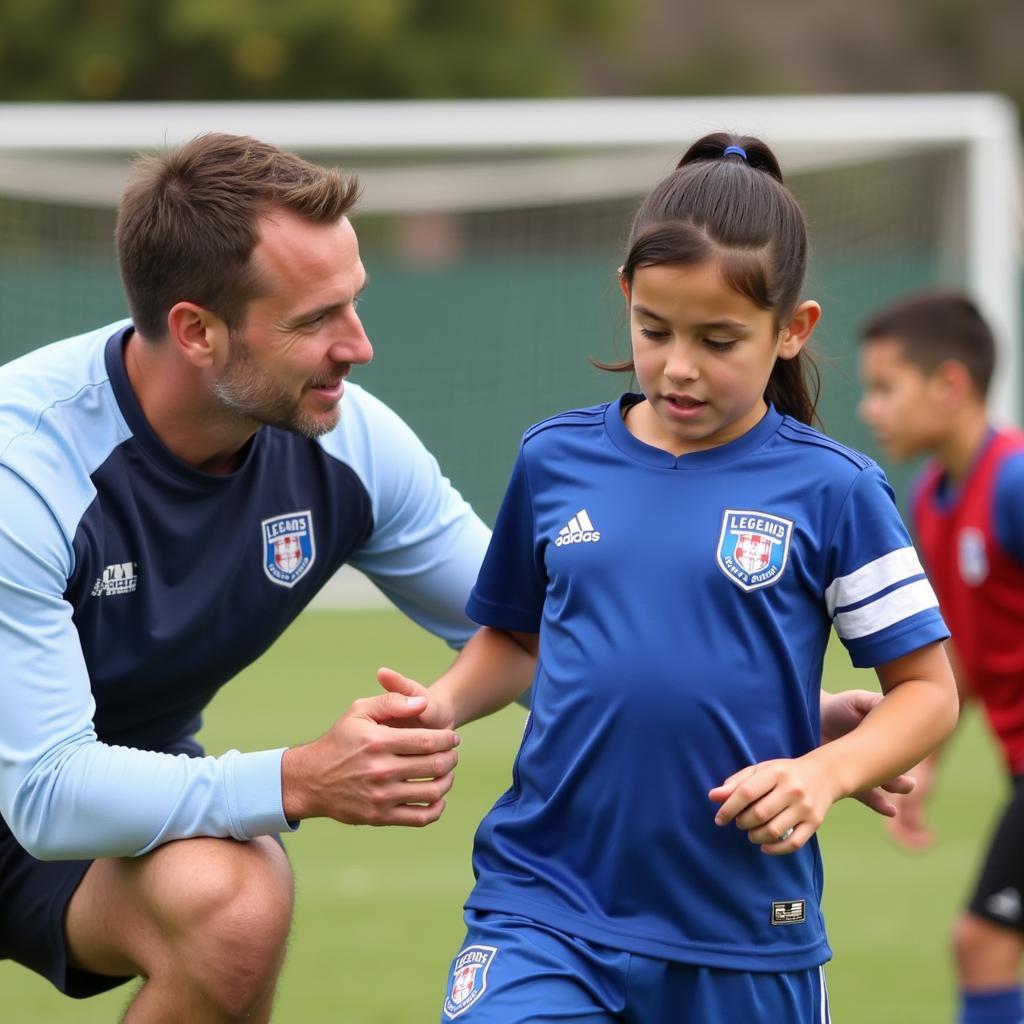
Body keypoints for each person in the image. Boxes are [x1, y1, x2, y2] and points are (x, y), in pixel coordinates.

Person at [380, 133, 960, 1023]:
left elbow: (926, 694)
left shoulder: (836, 490)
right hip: (544, 903)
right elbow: (519, 639)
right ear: (625, 296)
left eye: (718, 338)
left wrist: (827, 774)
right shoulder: (555, 457)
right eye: (655, 330)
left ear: (791, 330)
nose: (678, 365)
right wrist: (441, 706)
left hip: (738, 929)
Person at [0, 132, 517, 1021]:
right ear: (197, 330)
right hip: (46, 782)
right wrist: (300, 778)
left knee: (235, 906)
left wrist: (767, 723)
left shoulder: (349, 444)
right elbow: (46, 790)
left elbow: (530, 625)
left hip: (95, 789)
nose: (358, 347)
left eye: (353, 304)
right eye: (315, 320)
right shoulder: (26, 472)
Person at [859, 292, 1024, 1024]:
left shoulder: (1014, 484)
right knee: (982, 943)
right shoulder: (931, 496)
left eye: (885, 387)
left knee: (981, 941)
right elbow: (960, 652)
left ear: (950, 385)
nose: (870, 408)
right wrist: (926, 760)